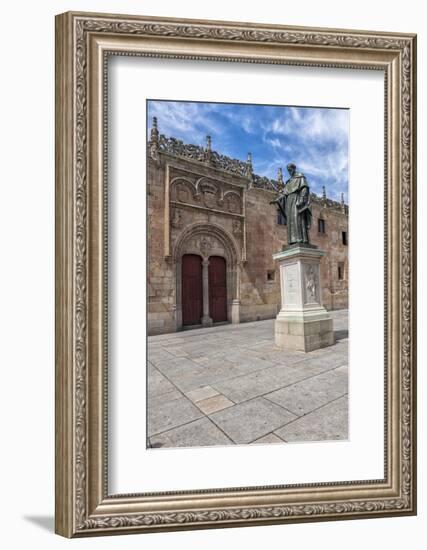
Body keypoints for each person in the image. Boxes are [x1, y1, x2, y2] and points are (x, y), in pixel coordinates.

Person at [270, 163, 312, 245]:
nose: (289, 171)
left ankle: (301, 239)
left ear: (294, 168)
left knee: (298, 219)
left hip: (297, 200)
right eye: (288, 170)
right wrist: (277, 200)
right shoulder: (289, 182)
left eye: (290, 169)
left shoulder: (300, 177)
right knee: (291, 221)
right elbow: (284, 194)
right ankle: (292, 240)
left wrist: (301, 200)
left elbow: (304, 189)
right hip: (289, 202)